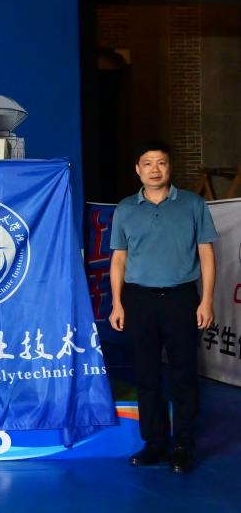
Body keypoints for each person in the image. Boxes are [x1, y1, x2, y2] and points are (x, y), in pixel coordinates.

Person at [108, 140, 216, 474]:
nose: (155, 169)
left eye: (161, 163)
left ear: (170, 167)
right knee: (146, 374)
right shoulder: (125, 209)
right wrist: (117, 303)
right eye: (148, 163)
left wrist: (206, 300)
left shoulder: (193, 204)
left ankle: (183, 446)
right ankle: (154, 443)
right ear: (137, 169)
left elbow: (207, 254)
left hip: (182, 298)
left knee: (184, 374)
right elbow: (119, 259)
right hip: (139, 300)